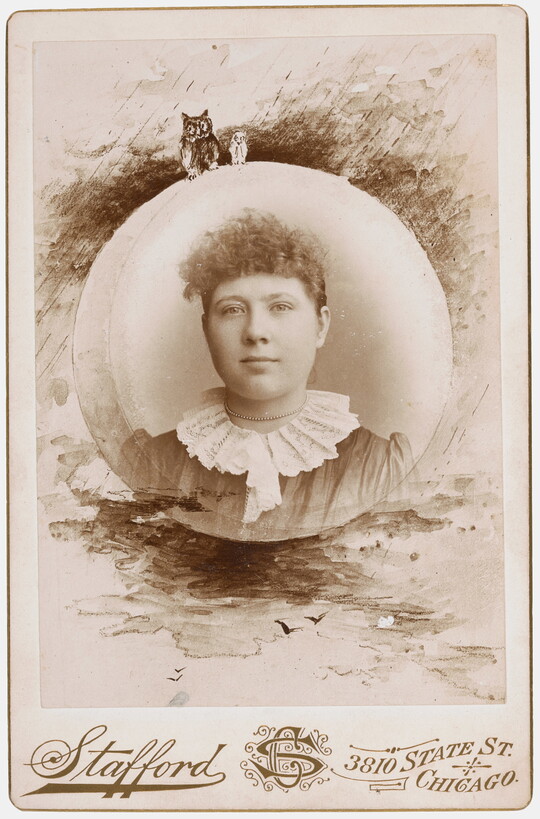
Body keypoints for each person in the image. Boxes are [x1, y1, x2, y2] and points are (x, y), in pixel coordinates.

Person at [121, 209, 414, 541]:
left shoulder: (382, 467)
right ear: (206, 330)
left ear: (321, 326)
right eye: (233, 310)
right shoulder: (148, 463)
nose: (255, 332)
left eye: (280, 307)